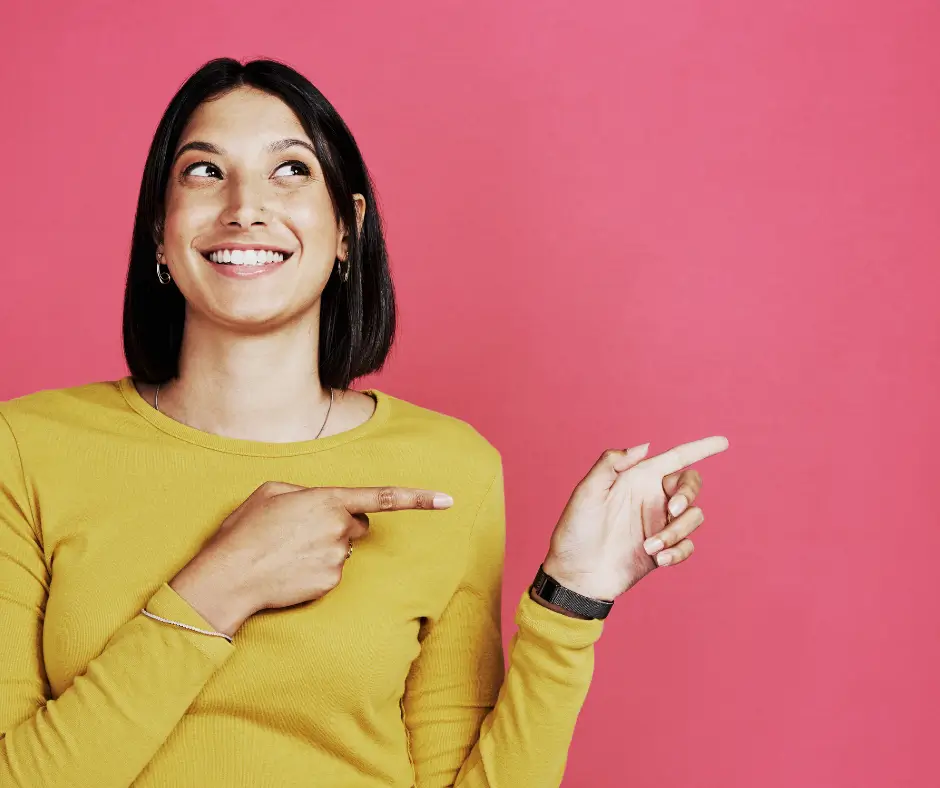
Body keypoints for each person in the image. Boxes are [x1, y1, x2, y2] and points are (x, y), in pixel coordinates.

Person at [0, 57, 729, 787]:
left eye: (290, 170)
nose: (245, 206)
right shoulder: (26, 451)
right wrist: (218, 586)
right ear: (160, 235)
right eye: (203, 172)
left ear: (347, 229)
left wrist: (573, 599)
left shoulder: (449, 468)